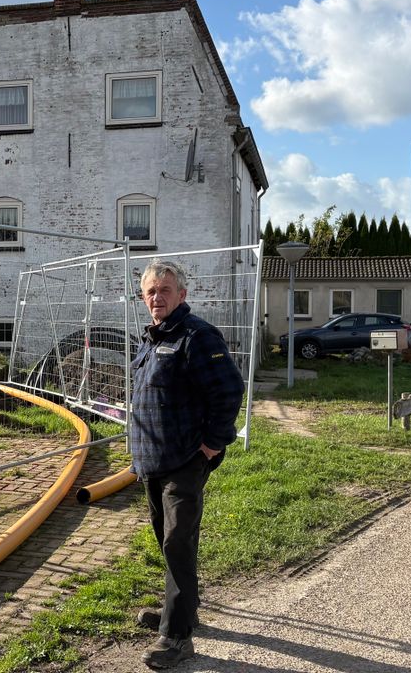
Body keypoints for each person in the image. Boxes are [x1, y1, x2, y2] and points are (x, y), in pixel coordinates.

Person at [129, 260, 244, 669]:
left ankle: (177, 637)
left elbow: (229, 391)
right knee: (169, 540)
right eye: (150, 292)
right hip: (154, 460)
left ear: (182, 295)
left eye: (164, 290)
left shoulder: (197, 337)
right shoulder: (149, 339)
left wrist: (213, 444)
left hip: (185, 460)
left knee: (177, 540)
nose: (157, 298)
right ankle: (183, 611)